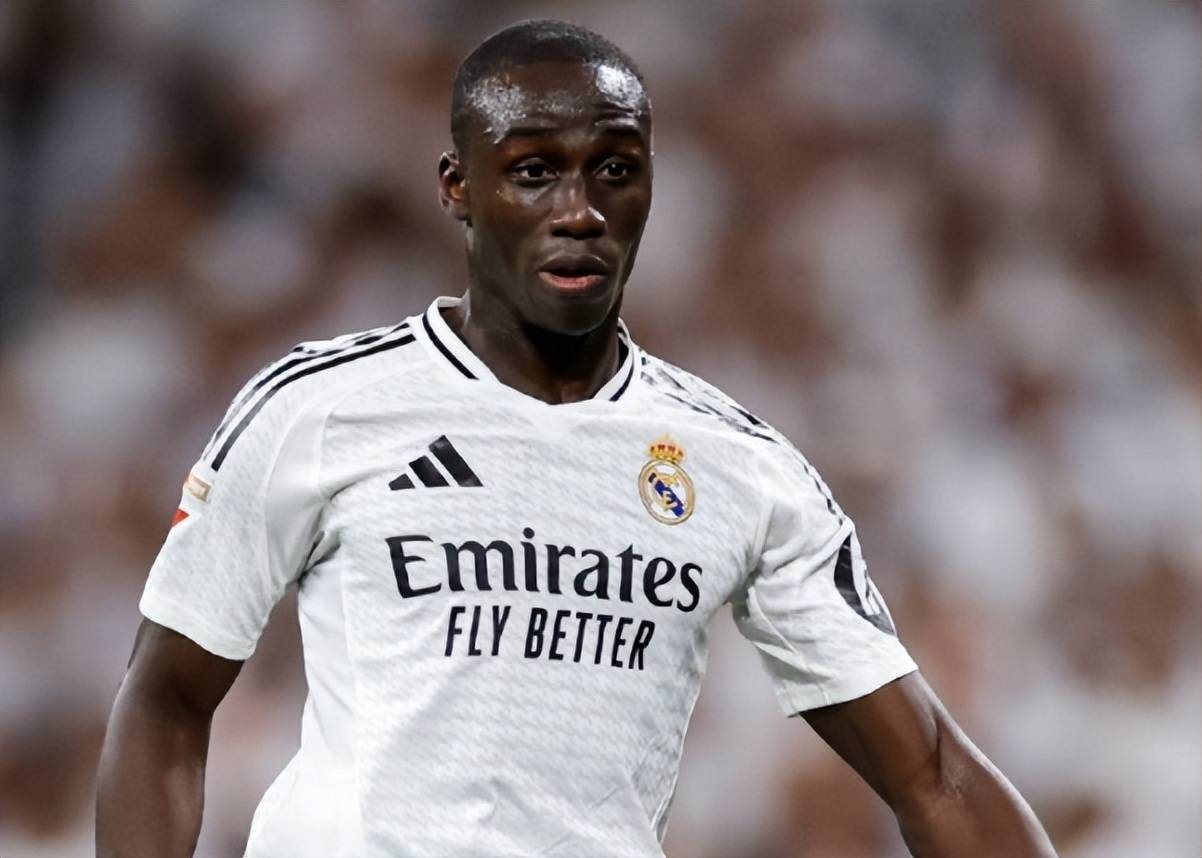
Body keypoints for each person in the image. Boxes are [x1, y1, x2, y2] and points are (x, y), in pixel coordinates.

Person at [96, 19, 1057, 858]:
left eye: (615, 170)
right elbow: (166, 698)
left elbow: (933, 774)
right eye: (533, 172)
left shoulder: (741, 466)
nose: (579, 211)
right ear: (457, 187)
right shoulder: (322, 406)